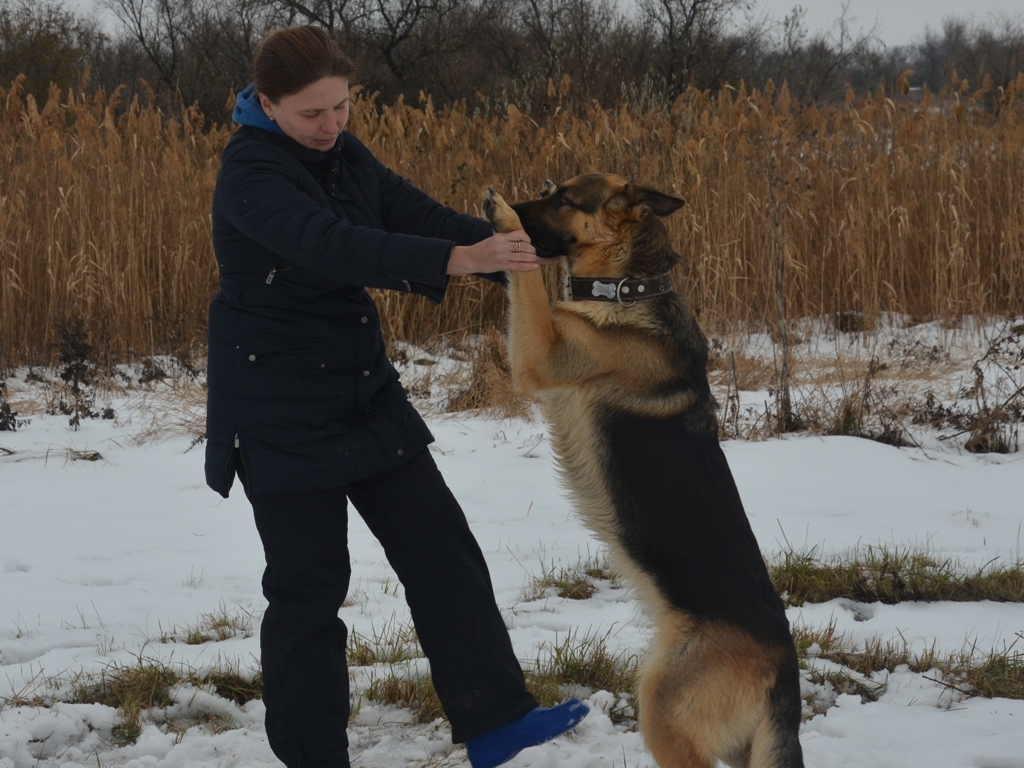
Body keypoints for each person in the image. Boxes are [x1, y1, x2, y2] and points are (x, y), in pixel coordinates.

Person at [203, 24, 587, 768]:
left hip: (360, 391)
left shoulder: (343, 152)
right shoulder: (250, 174)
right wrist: (458, 260)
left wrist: (512, 251)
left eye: (342, 107)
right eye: (313, 113)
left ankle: (498, 719)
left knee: (442, 549)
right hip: (275, 405)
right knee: (309, 593)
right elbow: (332, 244)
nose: (331, 126)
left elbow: (411, 214)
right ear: (267, 103)